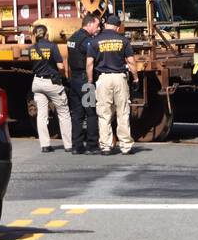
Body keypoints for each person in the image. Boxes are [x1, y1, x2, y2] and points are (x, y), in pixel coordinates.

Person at [85, 12, 138, 156]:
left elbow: (89, 63)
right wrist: (136, 78)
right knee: (123, 112)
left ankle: (106, 146)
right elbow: (131, 62)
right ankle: (126, 146)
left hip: (103, 79)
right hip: (120, 78)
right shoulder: (123, 41)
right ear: (117, 27)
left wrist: (90, 80)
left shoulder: (95, 41)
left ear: (106, 24)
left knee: (104, 114)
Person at [29, 24, 72, 153]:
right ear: (47, 34)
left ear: (35, 35)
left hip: (37, 82)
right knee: (63, 112)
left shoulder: (32, 48)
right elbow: (60, 66)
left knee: (41, 114)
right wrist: (64, 75)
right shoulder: (52, 46)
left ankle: (45, 145)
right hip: (51, 82)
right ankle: (68, 145)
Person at [65, 13, 101, 154]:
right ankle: (92, 145)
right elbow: (91, 59)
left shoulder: (72, 38)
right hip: (85, 80)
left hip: (74, 79)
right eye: (97, 25)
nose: (97, 29)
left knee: (77, 114)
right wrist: (91, 80)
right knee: (91, 112)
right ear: (90, 24)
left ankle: (76, 146)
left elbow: (68, 58)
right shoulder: (87, 41)